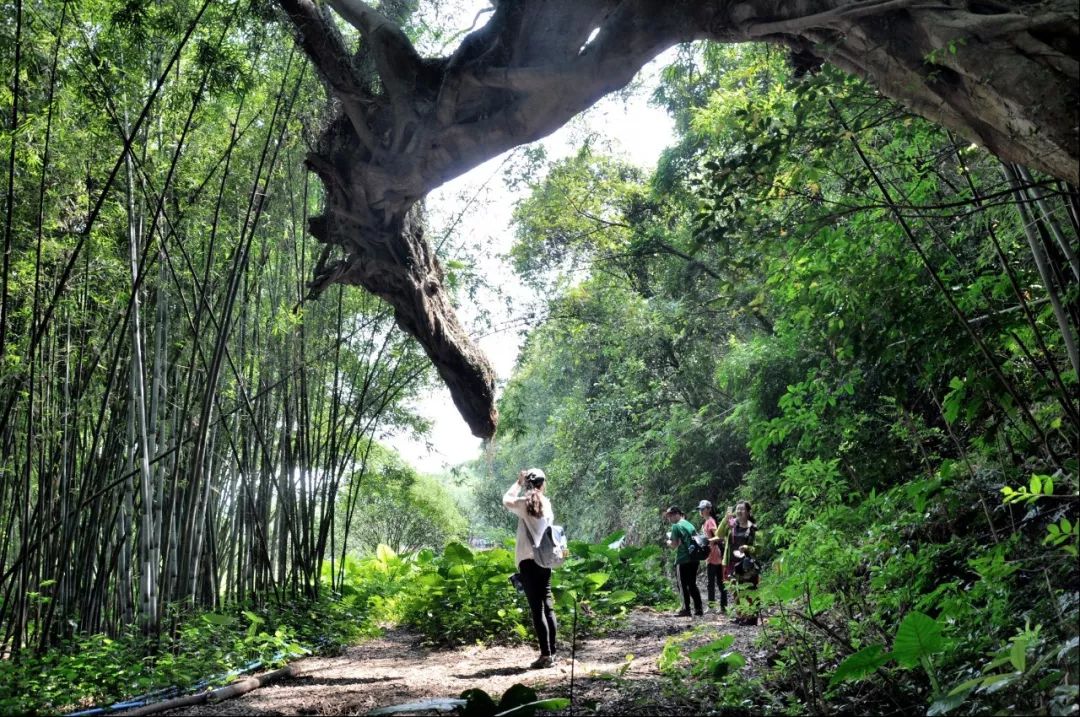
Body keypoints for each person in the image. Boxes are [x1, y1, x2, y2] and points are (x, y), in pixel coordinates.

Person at [503, 468, 559, 668]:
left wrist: (518, 483)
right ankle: (552, 653)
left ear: (528, 484)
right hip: (545, 560)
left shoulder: (523, 503)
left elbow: (506, 499)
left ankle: (545, 655)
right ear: (543, 484)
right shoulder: (547, 504)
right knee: (548, 605)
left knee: (537, 609)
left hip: (527, 562)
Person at [664, 506, 703, 617]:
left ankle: (686, 609)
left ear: (676, 514)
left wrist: (668, 542)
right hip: (694, 558)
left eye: (670, 516)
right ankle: (698, 609)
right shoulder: (689, 524)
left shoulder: (676, 526)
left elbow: (674, 544)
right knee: (692, 584)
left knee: (682, 585)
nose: (669, 519)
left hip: (683, 559)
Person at [726, 500, 760, 625]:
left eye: (742, 509)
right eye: (738, 509)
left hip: (748, 563)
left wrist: (748, 548)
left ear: (748, 512)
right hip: (734, 562)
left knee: (749, 590)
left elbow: (759, 548)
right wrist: (726, 520)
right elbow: (719, 534)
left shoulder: (754, 528)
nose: (739, 511)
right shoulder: (732, 527)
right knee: (736, 589)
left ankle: (752, 617)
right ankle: (741, 615)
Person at [698, 499, 727, 615]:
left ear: (708, 510)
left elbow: (718, 536)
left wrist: (707, 541)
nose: (701, 511)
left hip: (714, 554)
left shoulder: (710, 521)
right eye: (700, 509)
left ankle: (715, 607)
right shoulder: (705, 523)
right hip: (710, 555)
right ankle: (721, 606)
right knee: (718, 581)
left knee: (715, 582)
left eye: (702, 509)